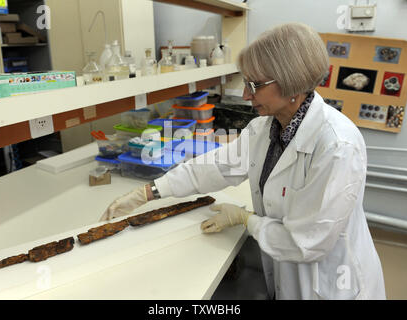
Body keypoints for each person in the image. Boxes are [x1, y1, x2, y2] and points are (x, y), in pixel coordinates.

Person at [100, 23, 386, 300]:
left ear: (292, 84)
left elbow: (306, 243)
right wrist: (148, 192)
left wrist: (245, 220)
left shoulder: (337, 146)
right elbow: (214, 167)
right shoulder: (265, 128)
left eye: (255, 85)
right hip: (287, 273)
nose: (246, 94)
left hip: (330, 283)